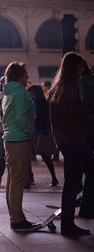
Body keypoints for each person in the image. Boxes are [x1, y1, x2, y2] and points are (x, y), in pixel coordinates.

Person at [49, 52, 92, 236]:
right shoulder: (72, 89)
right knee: (73, 184)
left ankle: (68, 223)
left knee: (72, 183)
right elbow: (72, 119)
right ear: (76, 66)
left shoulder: (58, 88)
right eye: (82, 65)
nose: (84, 69)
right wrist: (81, 139)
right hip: (74, 142)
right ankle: (68, 224)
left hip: (66, 142)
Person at [2, 62, 39, 231]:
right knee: (18, 181)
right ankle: (17, 220)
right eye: (25, 74)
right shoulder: (20, 93)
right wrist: (31, 131)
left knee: (12, 180)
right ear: (19, 77)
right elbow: (22, 118)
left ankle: (15, 216)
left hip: (9, 140)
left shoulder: (7, 93)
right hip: (19, 140)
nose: (27, 77)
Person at [27, 85, 59, 187]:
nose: (30, 95)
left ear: (35, 93)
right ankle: (53, 178)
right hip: (42, 133)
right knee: (46, 158)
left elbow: (36, 118)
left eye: (31, 93)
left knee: (32, 156)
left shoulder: (37, 104)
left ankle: (30, 179)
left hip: (39, 133)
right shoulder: (43, 103)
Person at [79, 62, 94, 219]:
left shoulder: (79, 83)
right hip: (89, 130)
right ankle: (87, 207)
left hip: (84, 132)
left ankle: (86, 205)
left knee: (89, 170)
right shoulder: (88, 82)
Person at [41, 80, 60, 161]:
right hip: (50, 118)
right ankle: (54, 154)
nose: (43, 88)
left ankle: (56, 154)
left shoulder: (50, 93)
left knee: (53, 137)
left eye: (43, 86)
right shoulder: (48, 93)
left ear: (47, 86)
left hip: (51, 118)